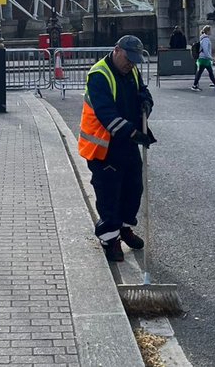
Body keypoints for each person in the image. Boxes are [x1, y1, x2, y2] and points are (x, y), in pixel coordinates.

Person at [78, 35, 155, 263]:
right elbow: (106, 114)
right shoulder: (99, 75)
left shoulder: (131, 70)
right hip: (103, 147)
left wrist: (146, 103)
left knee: (133, 189)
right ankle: (109, 239)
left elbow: (143, 91)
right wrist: (133, 132)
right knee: (109, 195)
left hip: (126, 143)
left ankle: (124, 228)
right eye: (128, 58)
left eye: (134, 60)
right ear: (116, 50)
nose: (131, 63)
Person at [191, 25, 215, 91]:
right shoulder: (205, 39)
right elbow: (206, 50)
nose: (211, 32)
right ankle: (194, 85)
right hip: (204, 58)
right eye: (210, 30)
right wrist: (210, 58)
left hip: (204, 58)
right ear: (208, 31)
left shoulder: (204, 39)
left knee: (209, 72)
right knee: (202, 72)